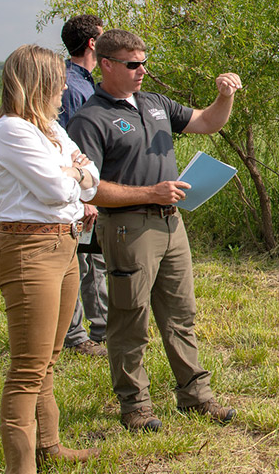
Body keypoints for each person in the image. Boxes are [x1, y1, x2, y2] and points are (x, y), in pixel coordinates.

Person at [66, 29, 241, 432]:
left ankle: (196, 397)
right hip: (128, 228)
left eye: (144, 61)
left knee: (181, 314)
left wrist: (225, 95)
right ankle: (135, 407)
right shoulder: (90, 119)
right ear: (106, 64)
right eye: (133, 64)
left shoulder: (155, 103)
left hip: (171, 224)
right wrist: (151, 191)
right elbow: (87, 186)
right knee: (130, 318)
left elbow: (206, 122)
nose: (142, 70)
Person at [0, 44, 102, 473]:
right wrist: (72, 171)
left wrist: (74, 173)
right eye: (58, 83)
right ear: (38, 83)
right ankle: (22, 467)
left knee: (49, 358)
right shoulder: (11, 130)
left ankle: (49, 446)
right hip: (29, 250)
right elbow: (58, 189)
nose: (64, 90)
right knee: (27, 368)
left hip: (64, 245)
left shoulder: (51, 127)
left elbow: (92, 182)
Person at [58, 14, 107, 358]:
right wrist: (85, 198)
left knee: (92, 260)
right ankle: (75, 336)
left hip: (91, 189)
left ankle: (102, 328)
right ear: (93, 43)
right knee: (80, 263)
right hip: (81, 194)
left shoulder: (80, 82)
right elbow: (74, 149)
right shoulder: (74, 89)